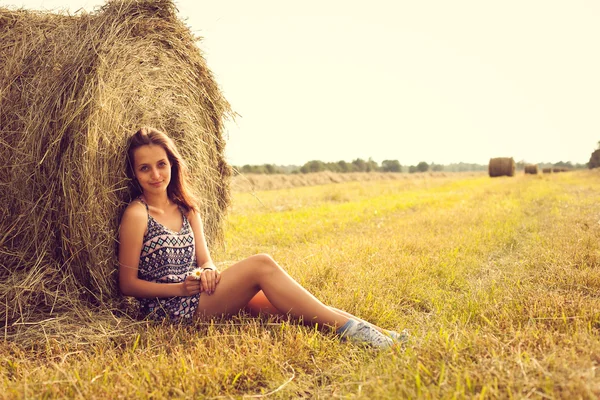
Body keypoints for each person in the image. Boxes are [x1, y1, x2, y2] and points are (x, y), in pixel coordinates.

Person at [118, 127, 408, 349]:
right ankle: (365, 335)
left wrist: (206, 271)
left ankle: (381, 336)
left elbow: (205, 260)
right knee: (261, 265)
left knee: (298, 307)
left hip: (200, 296)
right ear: (135, 172)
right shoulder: (138, 214)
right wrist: (181, 289)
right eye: (145, 168)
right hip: (170, 310)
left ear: (172, 164)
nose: (155, 174)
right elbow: (127, 285)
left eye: (161, 164)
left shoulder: (187, 208)